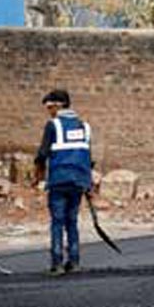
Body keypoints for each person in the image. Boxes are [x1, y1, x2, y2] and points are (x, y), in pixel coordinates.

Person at [33, 90, 93, 275]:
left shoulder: (53, 126)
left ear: (59, 105)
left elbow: (42, 154)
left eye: (50, 107)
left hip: (59, 179)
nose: (49, 111)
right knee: (72, 221)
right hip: (79, 181)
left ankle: (57, 263)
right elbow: (88, 156)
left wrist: (38, 175)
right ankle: (74, 262)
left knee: (58, 221)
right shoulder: (84, 126)